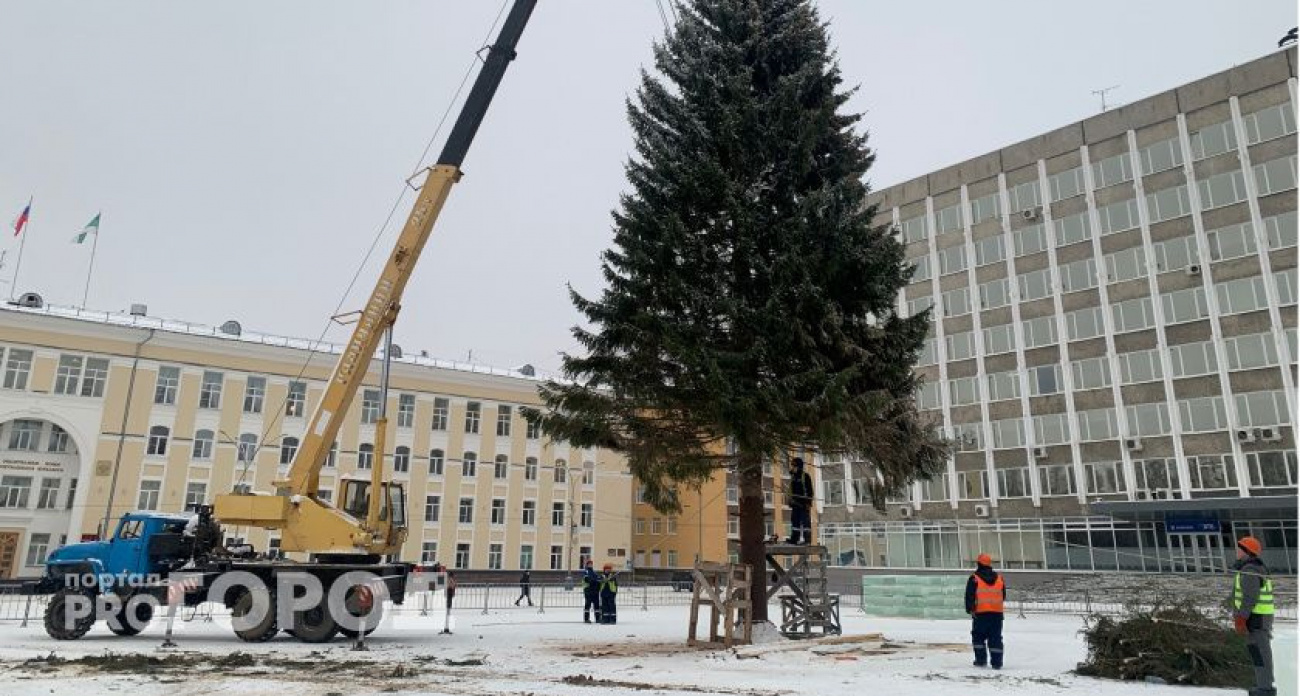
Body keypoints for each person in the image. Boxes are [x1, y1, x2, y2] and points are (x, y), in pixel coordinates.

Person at [1232, 536, 1275, 696]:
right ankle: (1264, 685)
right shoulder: (1251, 568)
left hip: (1256, 618)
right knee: (1258, 652)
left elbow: (1250, 597)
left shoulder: (1250, 570)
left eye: (1239, 549)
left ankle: (1265, 689)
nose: (1236, 551)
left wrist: (1241, 618)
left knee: (1260, 653)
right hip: (1257, 617)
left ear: (1247, 552)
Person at [965, 553, 1005, 669]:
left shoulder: (974, 578)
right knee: (995, 638)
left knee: (978, 637)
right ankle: (997, 663)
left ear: (978, 563)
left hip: (980, 613)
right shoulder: (999, 578)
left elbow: (969, 596)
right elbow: (1003, 595)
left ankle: (981, 660)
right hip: (997, 614)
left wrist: (970, 609)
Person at [784, 457, 814, 544]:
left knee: (805, 523)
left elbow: (810, 491)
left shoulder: (805, 476)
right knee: (795, 522)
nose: (792, 468)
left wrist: (808, 503)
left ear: (799, 466)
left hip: (804, 504)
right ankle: (794, 539)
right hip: (795, 503)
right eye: (792, 466)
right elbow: (790, 490)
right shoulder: (793, 477)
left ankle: (807, 540)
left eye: (794, 466)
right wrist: (790, 500)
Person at [582, 559, 602, 623]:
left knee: (596, 606)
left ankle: (597, 618)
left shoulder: (594, 572)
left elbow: (597, 579)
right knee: (588, 605)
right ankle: (586, 619)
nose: (590, 565)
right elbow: (588, 580)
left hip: (595, 591)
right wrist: (596, 581)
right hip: (588, 591)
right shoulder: (586, 572)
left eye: (591, 564)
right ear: (587, 565)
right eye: (589, 564)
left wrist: (600, 579)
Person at [440, 570, 457, 635]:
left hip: (448, 594)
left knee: (448, 608)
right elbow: (452, 586)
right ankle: (446, 627)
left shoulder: (448, 579)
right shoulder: (450, 579)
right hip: (449, 593)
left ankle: (446, 626)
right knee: (448, 608)